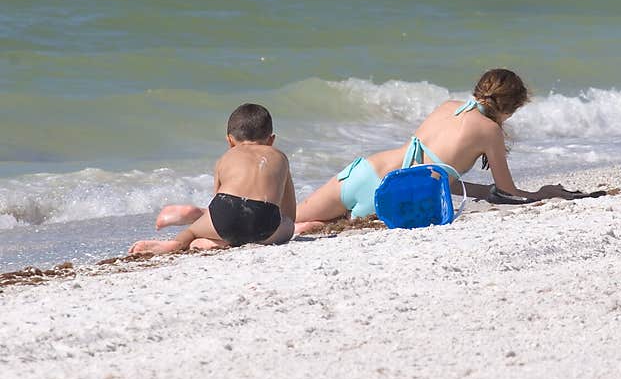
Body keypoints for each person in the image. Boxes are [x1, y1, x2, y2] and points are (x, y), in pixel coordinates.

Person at [294, 68, 586, 234]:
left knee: (285, 220)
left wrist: (481, 192)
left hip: (365, 171)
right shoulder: (490, 131)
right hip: (395, 195)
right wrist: (545, 192)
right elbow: (507, 192)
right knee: (316, 227)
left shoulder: (447, 106)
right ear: (510, 107)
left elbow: (429, 167)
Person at [129, 103, 296, 254]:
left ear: (230, 141)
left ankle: (175, 244)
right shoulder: (280, 157)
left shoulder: (225, 157)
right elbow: (289, 209)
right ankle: (222, 241)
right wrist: (287, 224)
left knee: (193, 231)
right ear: (271, 140)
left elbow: (216, 201)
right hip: (263, 222)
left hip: (226, 213)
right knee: (287, 226)